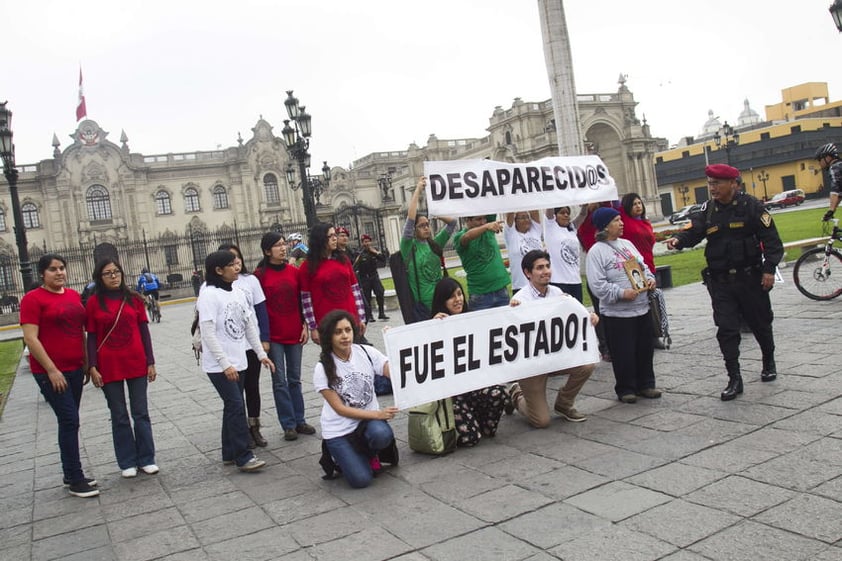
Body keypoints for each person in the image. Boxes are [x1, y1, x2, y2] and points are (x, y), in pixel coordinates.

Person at [666, 164, 783, 401]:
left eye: (717, 183)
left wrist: (769, 270)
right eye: (710, 184)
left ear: (733, 184)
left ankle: (768, 361)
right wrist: (679, 239)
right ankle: (734, 378)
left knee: (760, 323)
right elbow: (694, 230)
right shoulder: (708, 210)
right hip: (720, 282)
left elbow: (772, 240)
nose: (712, 188)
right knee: (727, 329)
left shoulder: (752, 207)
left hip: (750, 278)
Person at [20, 254, 99, 498]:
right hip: (50, 372)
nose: (59, 273)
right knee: (69, 420)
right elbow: (30, 338)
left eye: (62, 268)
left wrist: (86, 362)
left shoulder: (74, 296)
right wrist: (51, 369)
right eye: (53, 269)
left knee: (71, 419)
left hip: (75, 368)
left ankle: (70, 472)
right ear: (42, 274)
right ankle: (75, 477)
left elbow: (81, 331)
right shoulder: (33, 300)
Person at [197, 250, 275, 471]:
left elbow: (249, 326)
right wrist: (225, 364)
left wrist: (261, 354)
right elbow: (208, 333)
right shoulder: (209, 295)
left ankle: (228, 452)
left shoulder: (238, 292)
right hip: (220, 365)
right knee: (236, 405)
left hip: (240, 359)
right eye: (230, 265)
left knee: (232, 406)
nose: (236, 267)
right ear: (219, 270)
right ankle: (243, 455)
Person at [86, 258, 158, 478]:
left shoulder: (134, 299)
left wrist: (150, 361)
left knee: (141, 412)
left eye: (116, 272)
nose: (114, 276)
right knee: (119, 415)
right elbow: (92, 336)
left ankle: (147, 458)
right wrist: (92, 366)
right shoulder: (93, 303)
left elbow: (144, 332)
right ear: (100, 277)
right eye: (108, 273)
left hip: (136, 361)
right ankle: (127, 460)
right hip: (109, 365)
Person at [509, 250, 597, 426]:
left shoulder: (558, 293)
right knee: (541, 421)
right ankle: (515, 394)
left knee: (588, 364)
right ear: (528, 273)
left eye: (547, 266)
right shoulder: (519, 300)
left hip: (556, 357)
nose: (546, 271)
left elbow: (574, 317)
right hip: (532, 365)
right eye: (539, 268)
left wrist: (589, 317)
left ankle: (564, 403)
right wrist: (511, 312)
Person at [313, 309, 397, 488]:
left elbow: (394, 371)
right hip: (339, 430)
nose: (344, 336)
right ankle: (338, 455)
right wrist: (378, 415)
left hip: (365, 423)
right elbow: (340, 409)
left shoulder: (366, 352)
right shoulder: (322, 368)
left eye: (348, 330)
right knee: (361, 480)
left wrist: (395, 340)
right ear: (329, 337)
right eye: (338, 332)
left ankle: (369, 453)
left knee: (382, 434)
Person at [586, 207, 662, 403]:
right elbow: (597, 285)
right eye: (616, 221)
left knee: (644, 348)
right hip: (616, 313)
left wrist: (650, 279)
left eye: (621, 220)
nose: (621, 224)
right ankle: (626, 388)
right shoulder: (596, 252)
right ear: (605, 226)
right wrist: (620, 293)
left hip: (641, 307)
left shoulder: (627, 244)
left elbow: (643, 266)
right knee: (623, 352)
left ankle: (646, 384)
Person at [218, 243, 288, 445]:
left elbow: (261, 312)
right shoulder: (213, 287)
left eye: (237, 257)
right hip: (231, 347)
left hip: (251, 345)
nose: (236, 262)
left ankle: (254, 427)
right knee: (235, 392)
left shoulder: (250, 281)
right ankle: (239, 431)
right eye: (230, 259)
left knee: (252, 387)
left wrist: (264, 339)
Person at [431, 277, 509, 446]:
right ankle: (469, 423)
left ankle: (477, 420)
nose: (458, 299)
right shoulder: (432, 325)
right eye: (452, 296)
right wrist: (432, 328)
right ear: (442, 300)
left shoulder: (473, 321)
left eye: (460, 294)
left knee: (499, 393)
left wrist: (514, 308)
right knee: (470, 439)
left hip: (474, 387)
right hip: (453, 395)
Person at [253, 232, 315, 443]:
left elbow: (302, 301)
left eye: (283, 244)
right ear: (267, 251)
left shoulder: (294, 272)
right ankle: (288, 424)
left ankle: (300, 419)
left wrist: (305, 324)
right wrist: (263, 337)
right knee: (279, 381)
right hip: (274, 336)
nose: (283, 248)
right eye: (278, 245)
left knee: (295, 379)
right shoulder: (259, 275)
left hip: (294, 331)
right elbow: (257, 309)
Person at [401, 176, 457, 322]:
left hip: (442, 302)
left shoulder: (435, 243)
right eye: (422, 226)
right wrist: (418, 189)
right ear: (414, 230)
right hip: (424, 308)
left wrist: (435, 213)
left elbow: (452, 223)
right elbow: (410, 219)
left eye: (427, 224)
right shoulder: (409, 247)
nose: (426, 228)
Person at [300, 223, 367, 345]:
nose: (334, 238)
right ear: (320, 239)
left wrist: (361, 317)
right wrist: (313, 327)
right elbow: (306, 300)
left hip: (350, 318)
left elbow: (355, 289)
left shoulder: (344, 259)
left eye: (335, 235)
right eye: (330, 236)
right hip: (327, 322)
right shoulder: (308, 266)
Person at [453, 214, 511, 310]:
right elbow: (467, 237)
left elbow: (489, 204)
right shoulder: (459, 236)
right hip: (480, 295)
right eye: (478, 219)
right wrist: (487, 226)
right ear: (468, 220)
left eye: (484, 218)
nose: (483, 221)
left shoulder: (488, 228)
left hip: (501, 290)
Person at [544, 206, 584, 302]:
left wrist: (585, 206)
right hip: (558, 281)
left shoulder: (572, 229)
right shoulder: (551, 226)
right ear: (555, 215)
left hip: (575, 281)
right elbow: (549, 209)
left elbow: (583, 215)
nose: (566, 215)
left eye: (568, 213)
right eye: (562, 213)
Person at [503, 210, 543, 292]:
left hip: (540, 284)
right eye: (522, 217)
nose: (526, 220)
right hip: (521, 286)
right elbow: (510, 213)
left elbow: (534, 211)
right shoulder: (511, 234)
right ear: (515, 221)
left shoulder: (535, 231)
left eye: (527, 217)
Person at [619, 193, 656, 278]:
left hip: (649, 264)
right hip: (634, 266)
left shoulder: (646, 222)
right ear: (628, 207)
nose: (638, 206)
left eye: (639, 203)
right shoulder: (625, 220)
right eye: (634, 204)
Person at [354, 234, 389, 322]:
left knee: (380, 292)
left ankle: (381, 313)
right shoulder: (359, 253)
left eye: (368, 241)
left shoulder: (374, 251)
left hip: (374, 276)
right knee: (367, 297)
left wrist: (376, 252)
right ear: (362, 243)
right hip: (364, 278)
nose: (367, 244)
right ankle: (369, 315)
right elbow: (354, 267)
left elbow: (383, 259)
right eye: (365, 242)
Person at [815, 143, 842, 221]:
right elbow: (840, 195)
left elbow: (835, 191)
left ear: (828, 157)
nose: (819, 163)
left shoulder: (835, 168)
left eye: (820, 159)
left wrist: (830, 211)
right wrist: (832, 210)